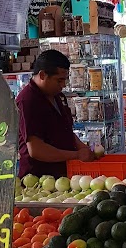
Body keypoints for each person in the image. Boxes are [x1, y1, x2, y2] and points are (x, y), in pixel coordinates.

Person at [17, 49, 94, 178]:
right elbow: (36, 150)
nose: (63, 85)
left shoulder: (56, 95)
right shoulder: (27, 101)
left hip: (63, 174)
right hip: (39, 180)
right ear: (42, 75)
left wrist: (82, 148)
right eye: (59, 80)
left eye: (65, 80)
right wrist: (76, 155)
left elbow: (65, 131)